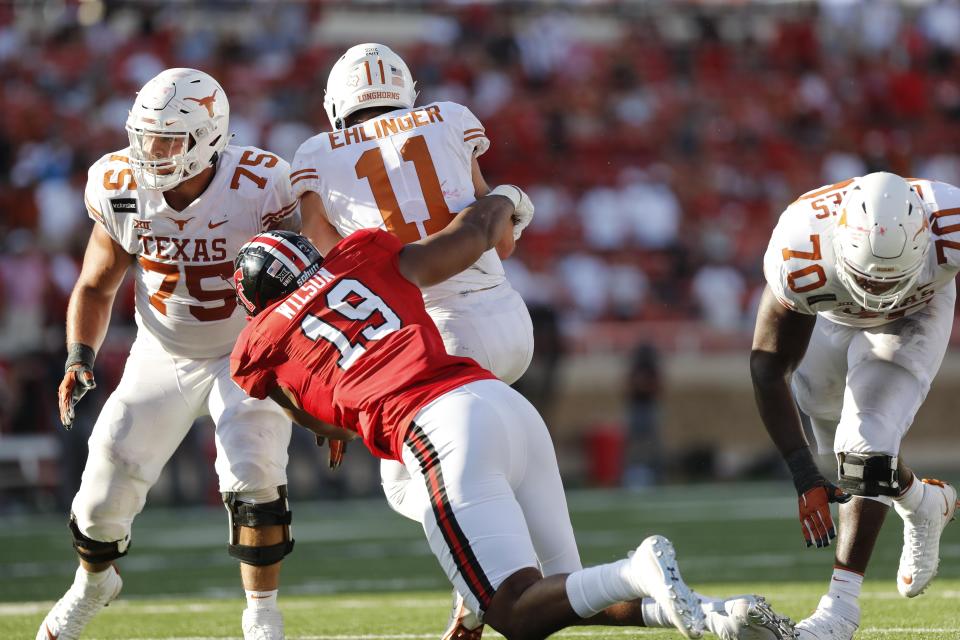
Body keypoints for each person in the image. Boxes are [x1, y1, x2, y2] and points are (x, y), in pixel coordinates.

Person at [230, 191, 797, 640]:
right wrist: (503, 199)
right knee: (563, 595)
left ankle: (636, 568)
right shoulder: (364, 259)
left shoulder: (262, 340)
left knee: (516, 615)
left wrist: (333, 418)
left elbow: (314, 418)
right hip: (500, 401)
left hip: (436, 429)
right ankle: (718, 615)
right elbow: (473, 233)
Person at [38, 68, 301, 640]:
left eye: (167, 139)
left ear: (209, 137)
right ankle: (92, 584)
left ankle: (262, 617)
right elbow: (96, 285)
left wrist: (319, 380)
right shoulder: (119, 182)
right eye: (143, 135)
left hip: (248, 351)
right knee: (101, 493)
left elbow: (308, 286)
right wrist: (78, 354)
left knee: (254, 473)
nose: (149, 151)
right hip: (162, 350)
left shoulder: (263, 184)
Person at [291, 42, 535, 638]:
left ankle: (482, 593)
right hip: (507, 317)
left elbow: (329, 271)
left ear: (335, 103)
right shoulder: (450, 116)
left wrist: (342, 384)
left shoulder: (316, 153)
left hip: (432, 338)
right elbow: (498, 238)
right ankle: (511, 580)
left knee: (411, 483)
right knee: (483, 465)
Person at [751, 171, 960, 640]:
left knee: (865, 445)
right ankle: (923, 501)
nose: (881, 294)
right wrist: (805, 476)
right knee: (834, 458)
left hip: (916, 314)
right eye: (871, 279)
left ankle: (840, 610)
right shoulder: (800, 247)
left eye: (891, 280)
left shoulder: (952, 224)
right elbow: (767, 367)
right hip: (831, 309)